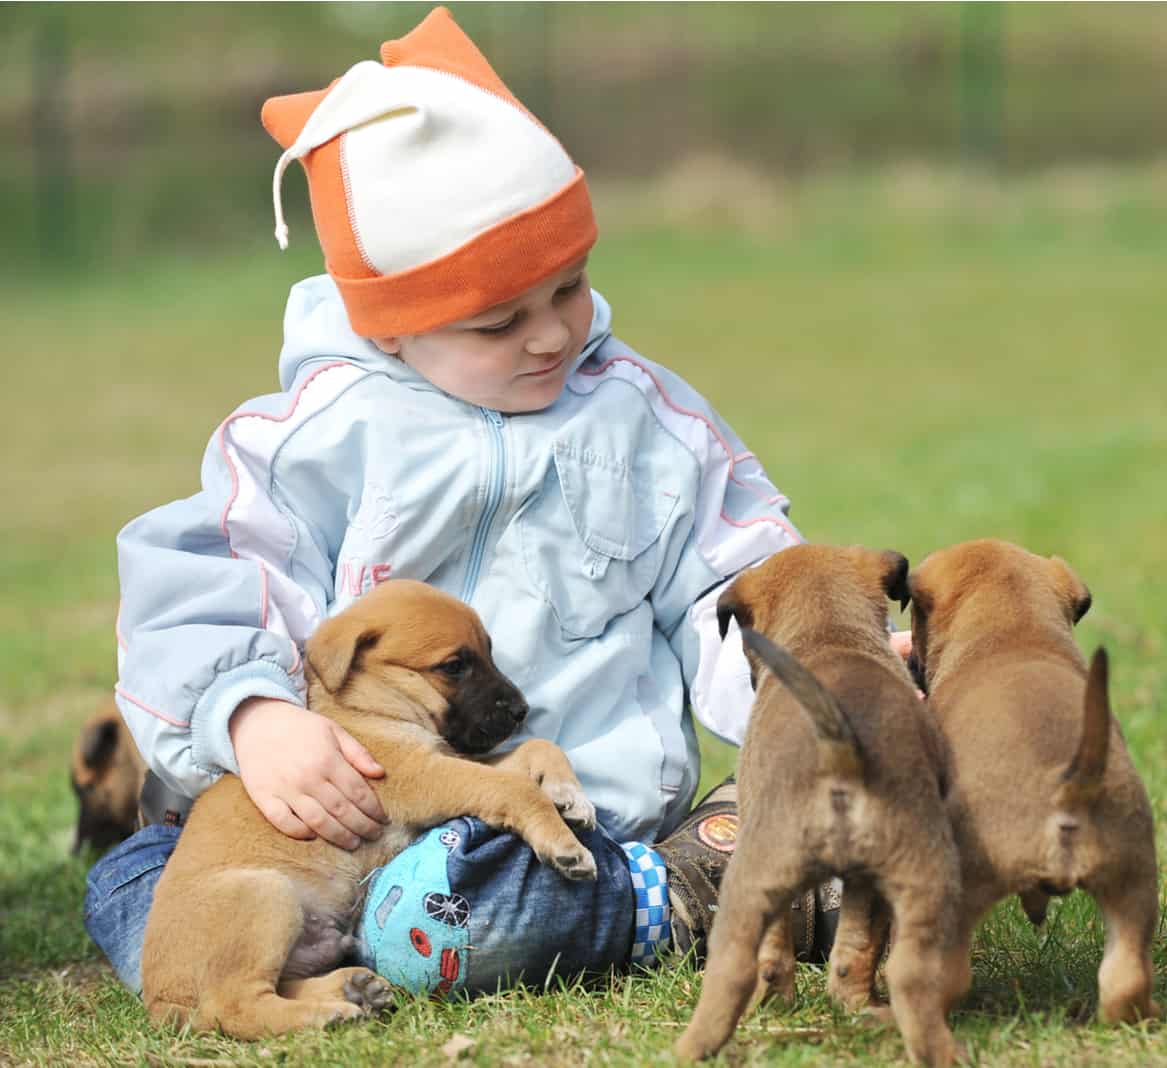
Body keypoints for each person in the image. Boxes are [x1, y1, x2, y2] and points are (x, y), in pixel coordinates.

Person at [85, 7, 835, 998]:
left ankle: (688, 877)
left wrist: (821, 666)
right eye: (498, 320)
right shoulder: (306, 438)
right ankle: (348, 940)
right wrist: (253, 717)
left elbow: (730, 582)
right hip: (329, 832)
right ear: (389, 329)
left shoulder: (642, 422)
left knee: (469, 918)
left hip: (547, 828)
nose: (551, 336)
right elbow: (203, 585)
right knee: (135, 888)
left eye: (570, 287)